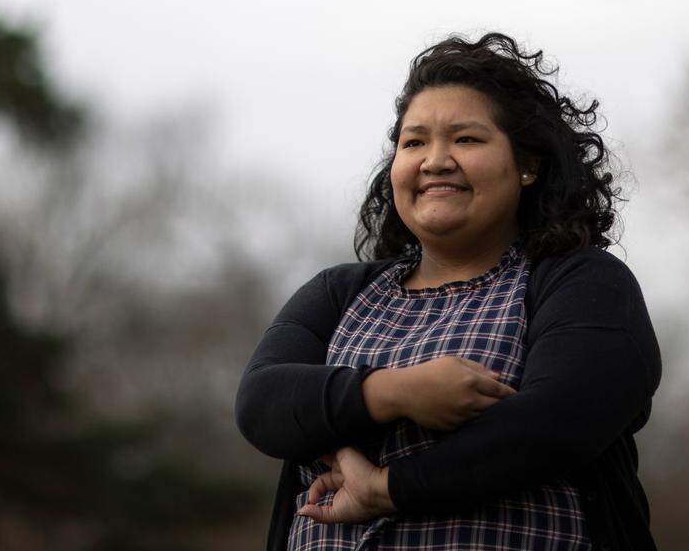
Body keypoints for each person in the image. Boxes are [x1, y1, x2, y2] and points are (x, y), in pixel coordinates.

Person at [235, 32, 662, 551]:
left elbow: (559, 424)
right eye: (414, 142)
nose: (435, 160)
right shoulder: (340, 292)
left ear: (528, 165)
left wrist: (387, 489)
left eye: (466, 139)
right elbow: (263, 403)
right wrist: (396, 392)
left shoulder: (581, 283)